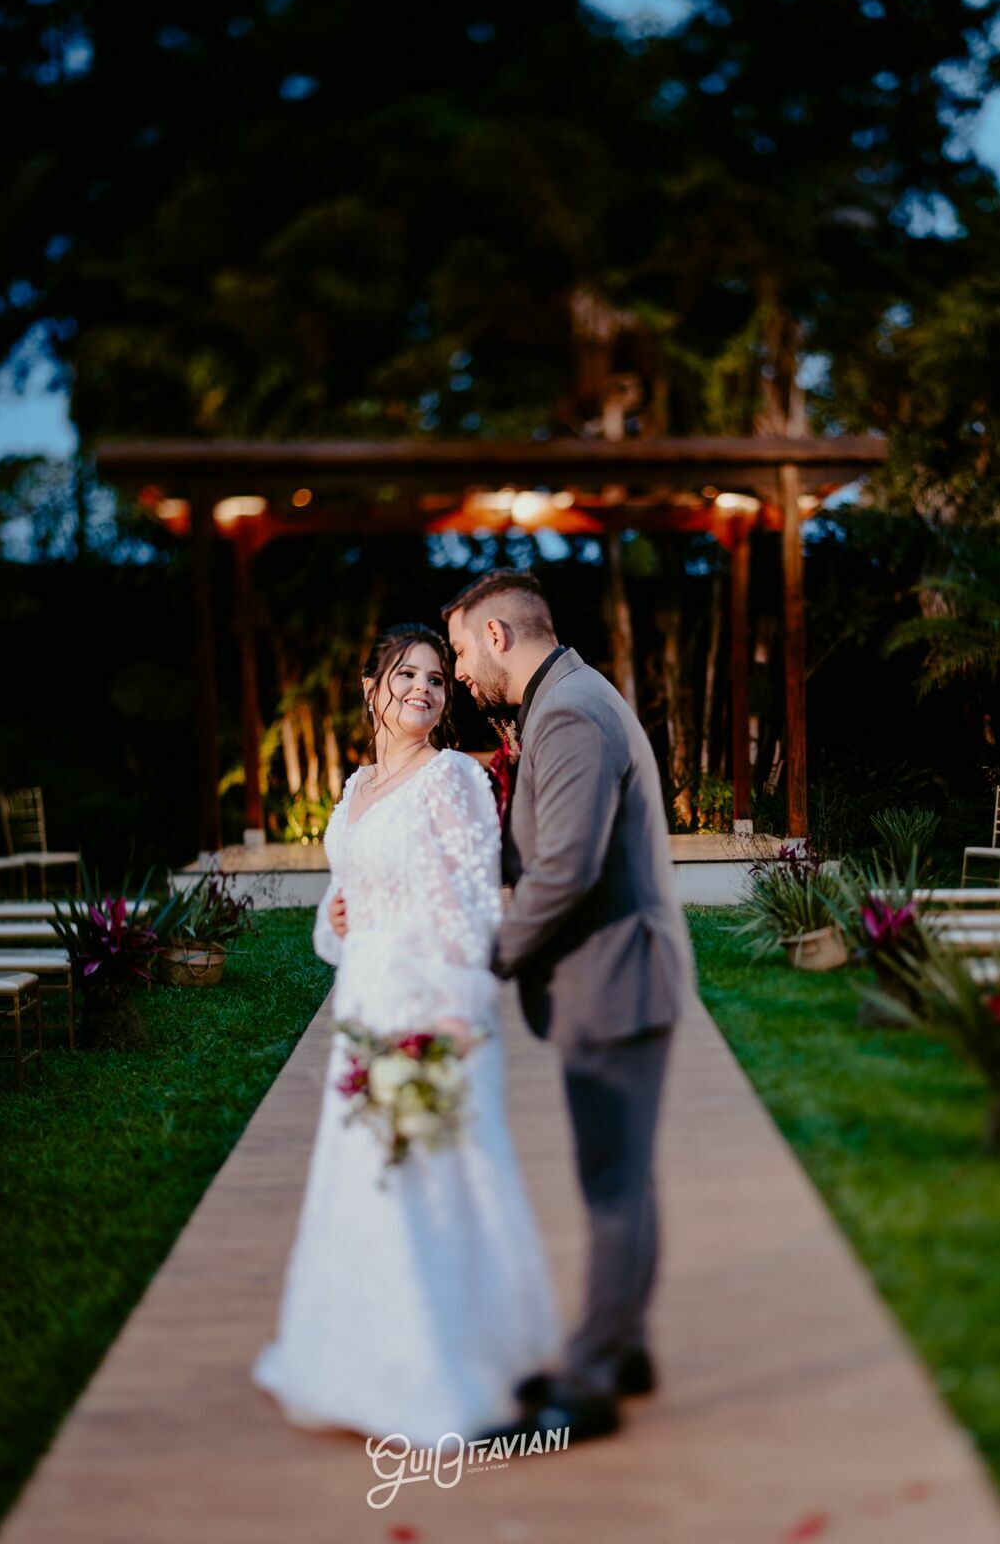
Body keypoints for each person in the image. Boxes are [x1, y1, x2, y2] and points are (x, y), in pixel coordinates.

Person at [252, 622, 559, 1447]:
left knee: (437, 1171)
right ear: (370, 689)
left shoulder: (453, 779)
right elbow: (343, 904)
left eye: (435, 678)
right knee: (367, 1175)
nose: (423, 689)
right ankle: (358, 1359)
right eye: (405, 675)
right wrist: (336, 918)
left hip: (431, 1005)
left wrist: (458, 1014)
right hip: (364, 1005)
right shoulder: (353, 792)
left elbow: (467, 902)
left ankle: (461, 1359)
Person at [443, 569, 701, 1446]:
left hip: (614, 978)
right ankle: (621, 1346)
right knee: (624, 1177)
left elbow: (566, 869)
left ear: (499, 636)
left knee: (611, 1186)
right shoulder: (573, 697)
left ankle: (587, 1385)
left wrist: (492, 958)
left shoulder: (566, 714)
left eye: (459, 649)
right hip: (620, 975)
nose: (458, 672)